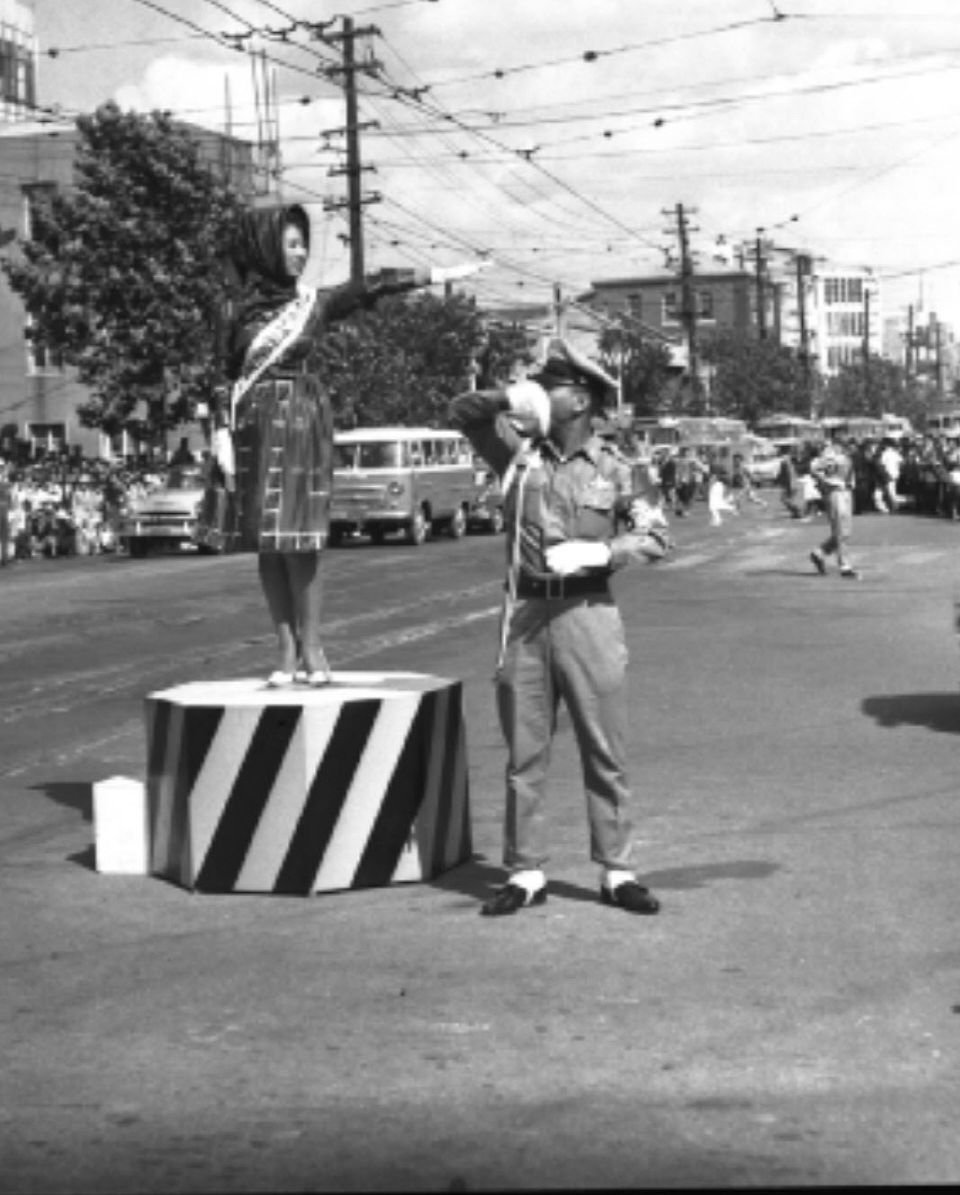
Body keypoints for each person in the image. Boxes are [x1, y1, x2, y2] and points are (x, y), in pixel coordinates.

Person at [449, 340, 670, 919]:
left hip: (588, 615)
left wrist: (602, 552)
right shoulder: (516, 455)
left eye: (550, 387)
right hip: (525, 617)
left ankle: (617, 870)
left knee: (605, 747)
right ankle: (525, 871)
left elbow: (656, 535)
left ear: (580, 399)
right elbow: (461, 411)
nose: (539, 394)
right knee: (525, 751)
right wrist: (508, 396)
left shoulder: (618, 468)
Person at [210, 203, 454, 686]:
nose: (301, 254)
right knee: (269, 543)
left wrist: (432, 274)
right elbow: (221, 373)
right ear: (265, 248)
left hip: (301, 418)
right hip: (252, 423)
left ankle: (313, 646)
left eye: (304, 245)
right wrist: (219, 430)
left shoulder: (312, 304)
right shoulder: (231, 310)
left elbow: (366, 288)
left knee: (301, 538)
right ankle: (285, 649)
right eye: (291, 244)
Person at [808, 430, 859, 579]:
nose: (847, 437)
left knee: (845, 531)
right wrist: (825, 481)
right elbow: (814, 467)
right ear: (836, 437)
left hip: (847, 491)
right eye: (843, 434)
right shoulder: (829, 453)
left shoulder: (845, 452)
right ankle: (844, 565)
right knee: (840, 529)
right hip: (836, 492)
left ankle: (820, 552)